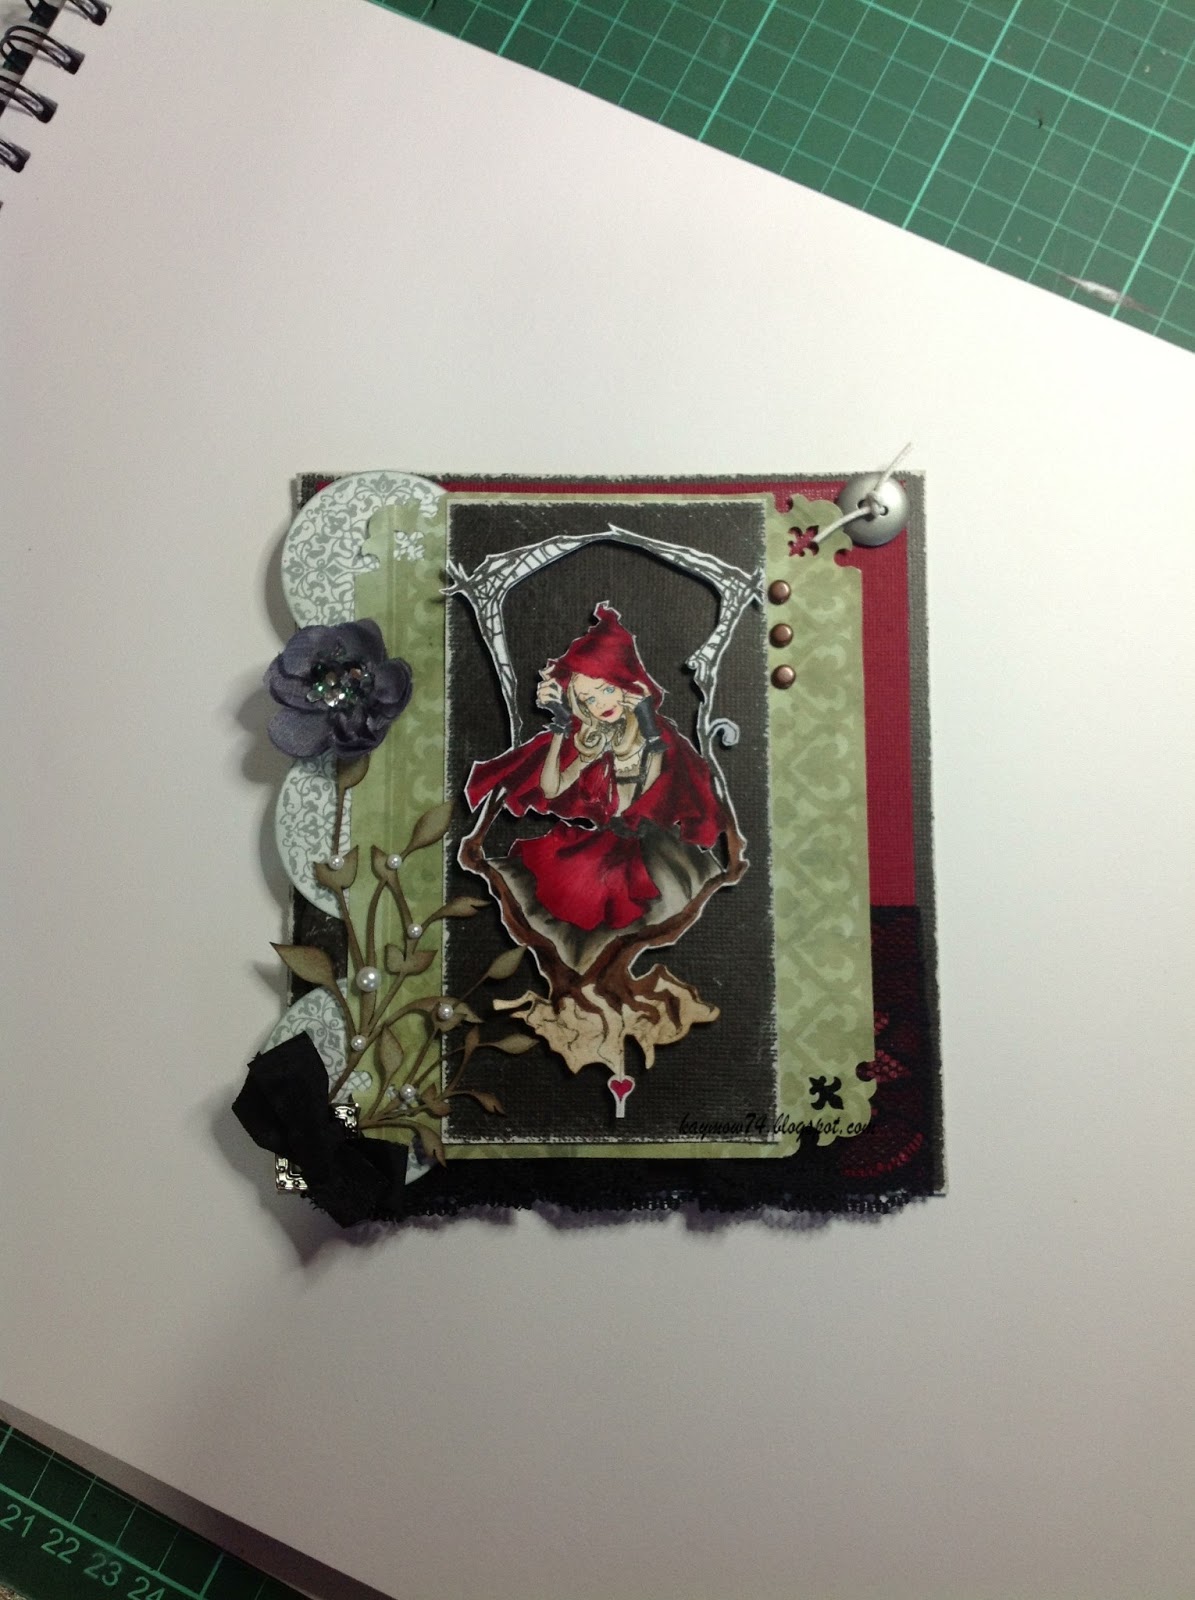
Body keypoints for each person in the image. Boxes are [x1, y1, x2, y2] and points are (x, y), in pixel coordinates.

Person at [463, 604, 729, 973]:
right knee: (554, 894)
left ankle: (599, 983)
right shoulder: (595, 737)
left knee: (614, 914)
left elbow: (649, 791)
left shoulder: (656, 736)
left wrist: (649, 729)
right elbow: (552, 787)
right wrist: (560, 728)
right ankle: (584, 987)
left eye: (605, 689)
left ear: (626, 686)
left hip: (654, 848)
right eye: (588, 698)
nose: (600, 703)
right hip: (608, 846)